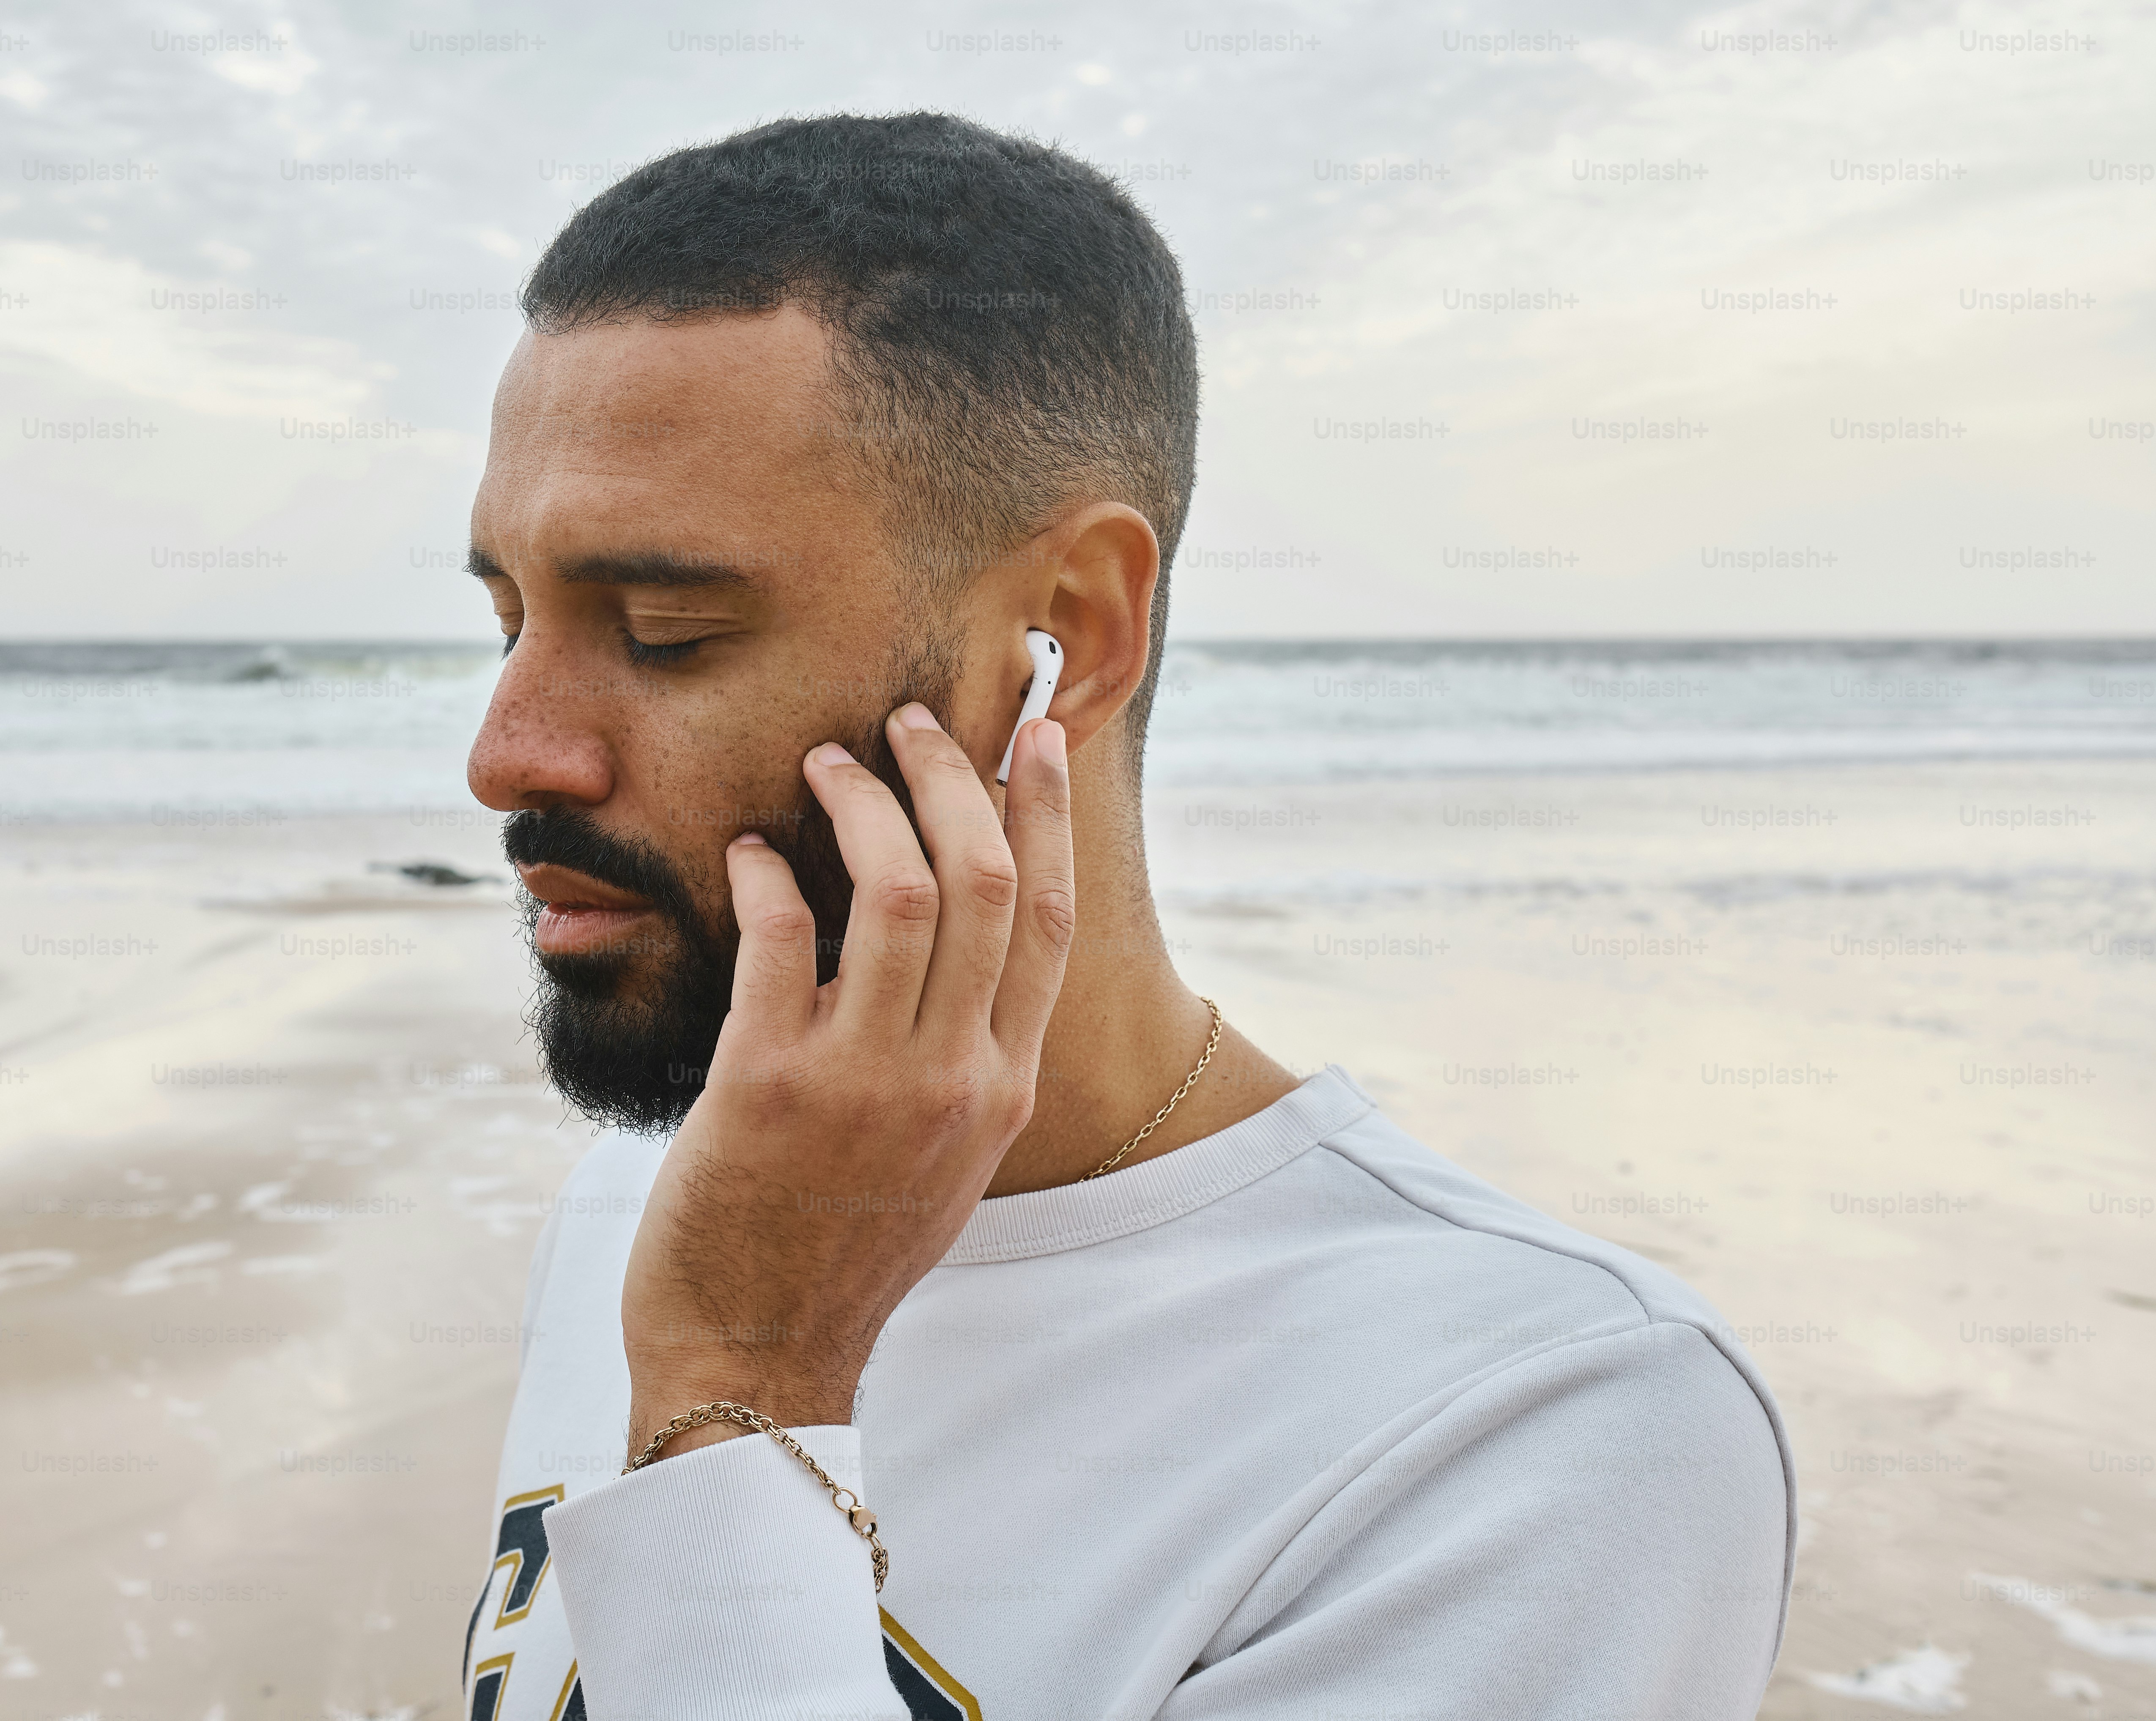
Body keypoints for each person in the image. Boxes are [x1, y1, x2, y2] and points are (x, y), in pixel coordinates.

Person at [458, 112, 1791, 1721]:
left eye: (665, 631)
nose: (509, 754)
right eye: (509, 617)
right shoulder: (654, 1207)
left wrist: (739, 1388)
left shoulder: (1536, 1426)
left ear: (1068, 637)